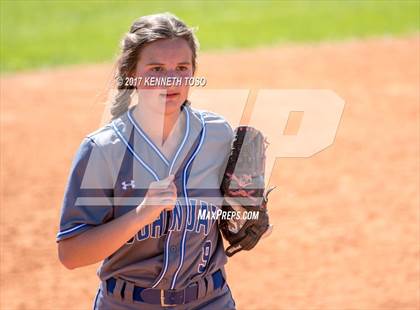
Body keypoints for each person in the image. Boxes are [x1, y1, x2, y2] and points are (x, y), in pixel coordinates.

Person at [56, 12, 236, 309]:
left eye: (181, 67)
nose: (171, 79)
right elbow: (71, 254)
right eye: (156, 68)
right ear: (131, 74)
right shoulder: (103, 150)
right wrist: (141, 215)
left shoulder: (217, 135)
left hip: (210, 301)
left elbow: (229, 215)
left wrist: (244, 210)